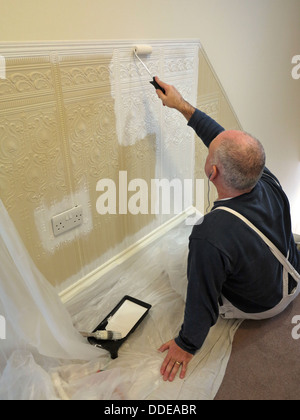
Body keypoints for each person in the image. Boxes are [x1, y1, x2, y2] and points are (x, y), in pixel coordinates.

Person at [154, 77, 300, 382]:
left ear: (213, 171)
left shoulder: (211, 233)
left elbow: (202, 301)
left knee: (183, 270)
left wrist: (186, 344)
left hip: (263, 306)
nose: (210, 147)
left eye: (211, 153)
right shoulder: (262, 177)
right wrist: (180, 105)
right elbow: (220, 137)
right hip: (293, 278)